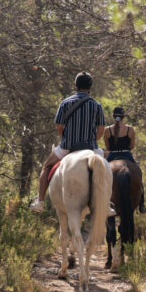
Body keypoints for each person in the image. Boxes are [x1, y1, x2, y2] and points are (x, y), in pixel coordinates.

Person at [30, 72, 115, 214]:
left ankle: (40, 201)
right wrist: (92, 140)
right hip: (90, 148)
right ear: (90, 87)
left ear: (75, 86)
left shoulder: (65, 103)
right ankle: (106, 204)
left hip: (68, 146)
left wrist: (65, 137)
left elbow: (59, 125)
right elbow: (101, 129)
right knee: (107, 169)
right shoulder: (96, 105)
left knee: (47, 166)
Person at [102, 106, 146, 213]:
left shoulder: (107, 130)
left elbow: (108, 147)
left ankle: (99, 203)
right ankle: (141, 205)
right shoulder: (130, 129)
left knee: (101, 177)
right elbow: (132, 146)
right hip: (127, 155)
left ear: (113, 116)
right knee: (139, 176)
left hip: (112, 155)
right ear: (123, 117)